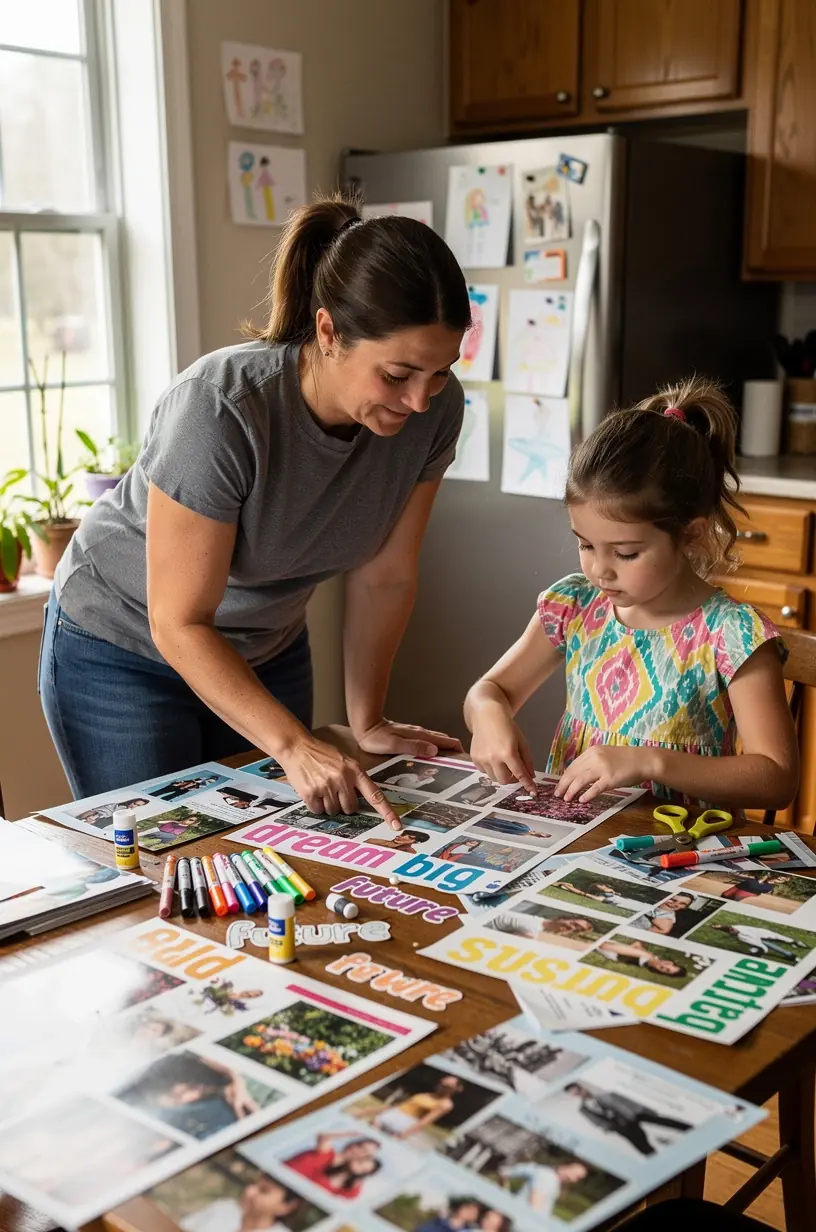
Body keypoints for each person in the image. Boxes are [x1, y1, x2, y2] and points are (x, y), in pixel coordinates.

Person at [40, 196, 472, 824]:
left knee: (271, 844)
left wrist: (367, 719)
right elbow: (180, 621)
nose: (420, 401)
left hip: (265, 646)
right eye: (398, 374)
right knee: (158, 856)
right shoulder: (221, 408)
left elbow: (386, 575)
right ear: (329, 333)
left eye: (439, 372)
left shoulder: (435, 413)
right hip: (124, 647)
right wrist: (295, 743)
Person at [464, 378, 799, 810]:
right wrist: (489, 714)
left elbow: (775, 779)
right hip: (577, 839)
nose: (599, 569)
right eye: (585, 545)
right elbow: (489, 690)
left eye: (625, 553)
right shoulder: (576, 608)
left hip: (677, 850)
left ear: (691, 534)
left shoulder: (732, 635)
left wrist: (650, 761)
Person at [563, 1082, 692, 1156]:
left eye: (579, 1090)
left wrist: (645, 1110)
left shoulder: (608, 1094)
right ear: (574, 1096)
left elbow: (629, 1102)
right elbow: (597, 1123)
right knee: (640, 1143)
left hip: (633, 1114)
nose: (580, 1094)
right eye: (575, 1093)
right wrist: (613, 1128)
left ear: (583, 1087)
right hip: (621, 1126)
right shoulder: (583, 1109)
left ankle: (688, 1128)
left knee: (663, 1121)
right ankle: (655, 1158)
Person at [179, 1173, 303, 1232]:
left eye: (264, 1191)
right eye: (253, 1184)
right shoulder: (223, 1208)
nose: (249, 1191)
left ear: (287, 1207)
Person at [363, 1073, 464, 1139]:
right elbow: (399, 1105)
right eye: (441, 1084)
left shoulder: (445, 1104)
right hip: (388, 1116)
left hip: (403, 1122)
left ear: (455, 1089)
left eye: (446, 1086)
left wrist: (403, 1136)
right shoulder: (425, 1094)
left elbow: (424, 1122)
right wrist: (373, 1112)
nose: (441, 1087)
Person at [499, 1159, 588, 1217]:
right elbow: (535, 1207)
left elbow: (505, 1173)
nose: (575, 1180)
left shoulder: (546, 1173)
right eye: (577, 1176)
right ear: (568, 1167)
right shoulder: (547, 1177)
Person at [710, 921, 809, 961]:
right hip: (750, 937)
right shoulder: (739, 935)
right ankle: (791, 954)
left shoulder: (735, 928)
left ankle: (793, 947)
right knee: (766, 945)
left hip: (756, 934)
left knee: (774, 939)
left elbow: (727, 928)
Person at [594, 937, 687, 979]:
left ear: (663, 973)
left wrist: (634, 947)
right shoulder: (651, 957)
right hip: (609, 945)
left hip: (603, 945)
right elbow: (638, 944)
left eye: (667, 970)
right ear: (670, 962)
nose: (663, 965)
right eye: (668, 965)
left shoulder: (646, 958)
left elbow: (604, 946)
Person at [553, 879, 647, 912]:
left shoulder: (613, 894)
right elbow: (582, 893)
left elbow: (581, 892)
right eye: (602, 885)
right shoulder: (604, 896)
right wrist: (564, 885)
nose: (606, 887)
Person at [416, 1197, 482, 1232]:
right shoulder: (439, 1221)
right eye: (468, 1208)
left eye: (474, 1212)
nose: (469, 1213)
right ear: (460, 1207)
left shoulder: (468, 1230)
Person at [719, 873, 787, 903]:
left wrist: (762, 881)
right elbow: (742, 876)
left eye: (779, 879)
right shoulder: (758, 877)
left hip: (745, 894)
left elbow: (761, 891)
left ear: (780, 882)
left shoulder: (770, 887)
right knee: (724, 895)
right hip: (737, 888)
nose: (776, 879)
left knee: (733, 901)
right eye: (776, 877)